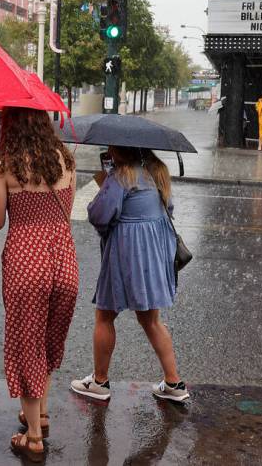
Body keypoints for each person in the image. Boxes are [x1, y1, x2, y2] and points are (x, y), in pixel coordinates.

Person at [0, 107, 79, 462]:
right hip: (64, 260)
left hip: (27, 262)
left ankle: (35, 438)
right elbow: (64, 214)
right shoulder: (65, 159)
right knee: (47, 339)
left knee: (27, 341)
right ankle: (37, 411)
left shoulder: (5, 163)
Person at [71, 146, 190, 405]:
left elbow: (99, 215)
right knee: (151, 320)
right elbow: (168, 208)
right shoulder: (156, 172)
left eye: (111, 148)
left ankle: (100, 381)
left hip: (127, 254)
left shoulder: (120, 177)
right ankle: (173, 382)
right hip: (154, 254)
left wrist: (103, 185)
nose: (109, 151)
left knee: (105, 315)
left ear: (120, 151)